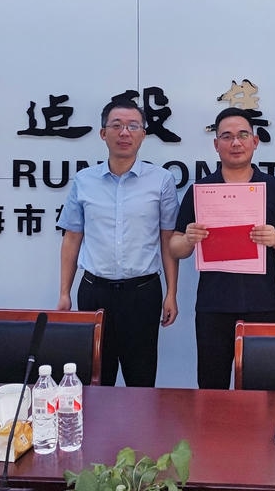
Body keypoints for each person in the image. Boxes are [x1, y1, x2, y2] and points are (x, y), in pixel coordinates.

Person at [170, 107, 275, 389]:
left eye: (243, 135)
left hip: (261, 304)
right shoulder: (201, 190)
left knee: (262, 389)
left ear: (255, 141)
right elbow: (175, 247)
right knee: (211, 388)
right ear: (216, 144)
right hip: (213, 306)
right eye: (227, 137)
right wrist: (188, 238)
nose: (236, 143)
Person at [57, 97, 179, 387]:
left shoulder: (161, 181)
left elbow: (168, 240)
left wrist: (172, 292)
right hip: (94, 292)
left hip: (142, 294)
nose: (125, 133)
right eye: (117, 126)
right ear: (103, 133)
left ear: (143, 134)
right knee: (95, 381)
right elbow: (72, 238)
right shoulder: (84, 180)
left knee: (142, 381)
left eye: (133, 126)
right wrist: (64, 292)